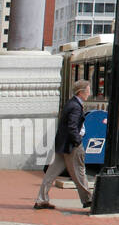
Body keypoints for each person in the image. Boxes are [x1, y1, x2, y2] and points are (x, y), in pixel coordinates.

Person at [35, 82, 94, 211]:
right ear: (81, 92)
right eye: (88, 90)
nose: (89, 93)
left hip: (62, 145)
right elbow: (72, 126)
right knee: (79, 173)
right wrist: (77, 141)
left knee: (51, 174)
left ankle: (41, 199)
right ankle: (89, 200)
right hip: (71, 146)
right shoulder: (76, 106)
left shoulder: (71, 103)